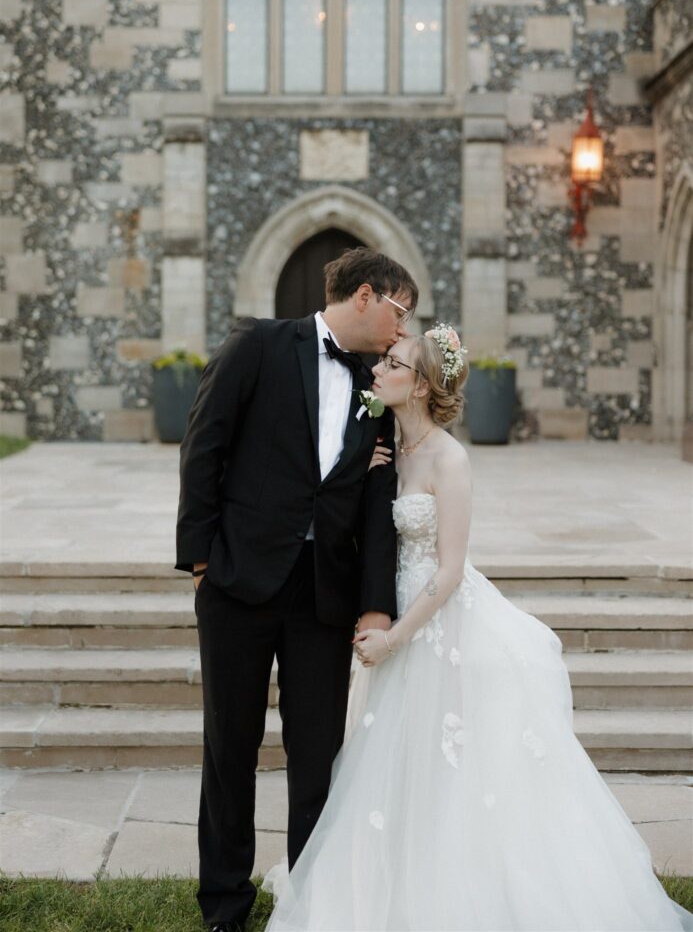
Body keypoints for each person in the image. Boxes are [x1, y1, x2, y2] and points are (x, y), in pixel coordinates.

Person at [264, 324, 693, 932]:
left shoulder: (449, 458)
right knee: (390, 764)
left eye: (392, 363)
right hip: (389, 613)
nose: (377, 369)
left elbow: (450, 569)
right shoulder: (383, 444)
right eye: (382, 360)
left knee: (447, 765)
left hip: (436, 626)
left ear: (418, 387)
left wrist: (395, 637)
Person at [175, 247, 419, 931]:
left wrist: (375, 600)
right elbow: (204, 448)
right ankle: (224, 905)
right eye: (400, 313)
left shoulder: (380, 385)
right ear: (366, 296)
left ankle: (309, 902)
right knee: (230, 751)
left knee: (317, 757)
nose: (402, 333)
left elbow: (376, 504)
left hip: (324, 597)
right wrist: (200, 563)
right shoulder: (258, 344)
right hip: (237, 585)